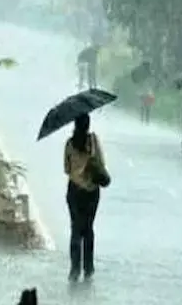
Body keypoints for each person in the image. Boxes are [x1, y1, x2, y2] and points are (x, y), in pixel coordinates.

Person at [63, 113, 107, 282]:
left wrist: (77, 172)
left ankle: (74, 269)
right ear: (88, 124)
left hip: (74, 190)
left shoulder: (69, 143)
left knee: (75, 228)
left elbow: (66, 169)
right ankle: (88, 268)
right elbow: (102, 163)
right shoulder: (93, 141)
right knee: (88, 228)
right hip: (92, 191)